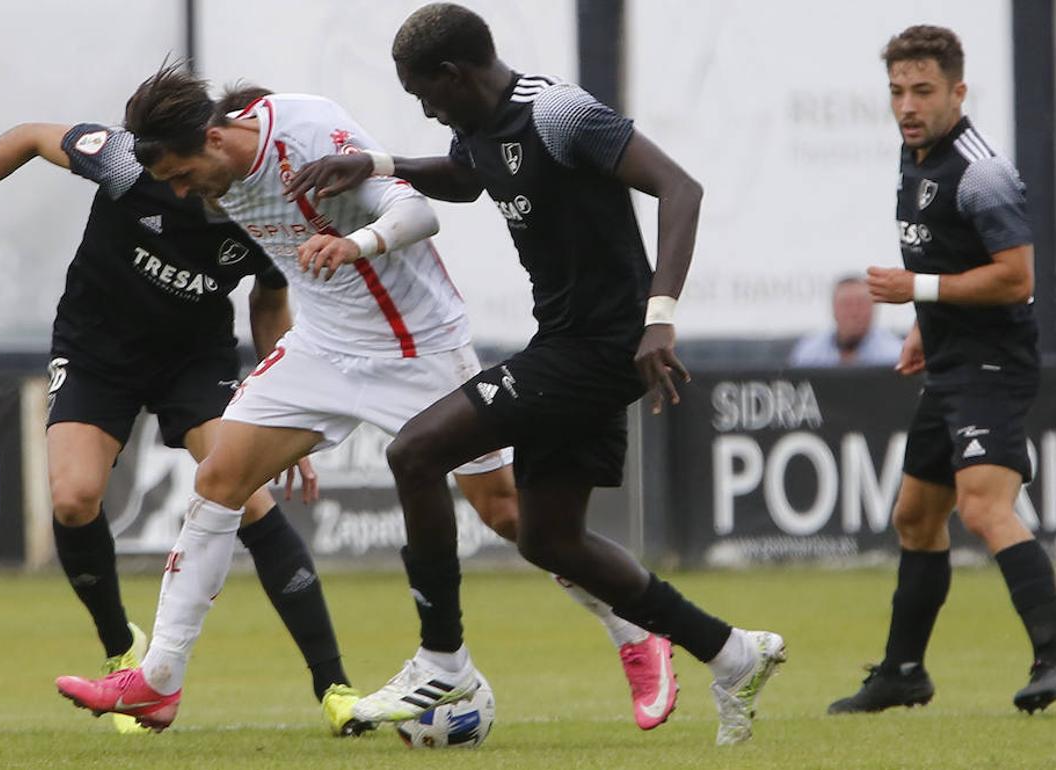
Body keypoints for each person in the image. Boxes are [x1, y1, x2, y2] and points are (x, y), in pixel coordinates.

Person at [55, 68, 679, 734]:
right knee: (218, 480)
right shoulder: (189, 161)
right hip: (322, 345)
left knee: (507, 514)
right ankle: (160, 680)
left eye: (183, 174)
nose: (181, 192)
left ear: (214, 137)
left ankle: (637, 632)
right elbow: (58, 143)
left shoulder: (307, 127)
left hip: (413, 345)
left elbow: (418, 211)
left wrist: (355, 242)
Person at [284, 3, 786, 746]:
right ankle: (732, 652)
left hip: (598, 349)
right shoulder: (479, 126)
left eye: (424, 91)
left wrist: (660, 315)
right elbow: (468, 174)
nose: (423, 107)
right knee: (550, 539)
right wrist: (382, 165)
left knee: (414, 453)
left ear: (455, 74)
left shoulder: (559, 113)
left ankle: (443, 660)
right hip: (570, 342)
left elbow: (682, 189)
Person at [0, 118, 372, 736]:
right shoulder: (127, 164)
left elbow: (269, 302)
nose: (196, 186)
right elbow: (29, 136)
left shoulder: (261, 205)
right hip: (96, 353)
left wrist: (287, 402)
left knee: (245, 495)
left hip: (194, 363)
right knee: (74, 498)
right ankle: (121, 652)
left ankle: (335, 688)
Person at [827, 25, 1056, 715]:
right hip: (951, 357)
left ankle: (1051, 652)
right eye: (897, 91)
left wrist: (918, 295)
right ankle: (903, 671)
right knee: (916, 515)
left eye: (923, 90)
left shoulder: (982, 170)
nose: (907, 104)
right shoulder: (914, 154)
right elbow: (943, 258)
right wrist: (925, 331)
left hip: (992, 363)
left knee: (986, 509)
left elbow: (1017, 279)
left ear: (958, 91)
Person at [788, 275, 903, 367]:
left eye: (861, 304)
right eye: (846, 304)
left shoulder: (895, 355)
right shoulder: (809, 354)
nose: (854, 312)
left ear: (873, 309)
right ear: (833, 309)